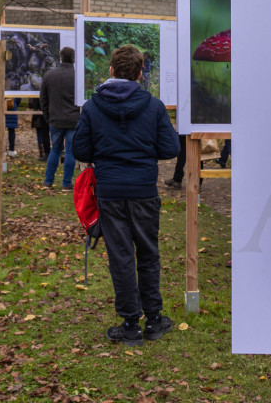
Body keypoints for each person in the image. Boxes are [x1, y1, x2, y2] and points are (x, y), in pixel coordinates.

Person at [73, 44, 180, 346]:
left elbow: (80, 150)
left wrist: (105, 152)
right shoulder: (154, 106)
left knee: (120, 257)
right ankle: (155, 321)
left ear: (110, 71)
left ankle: (131, 324)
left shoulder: (93, 107)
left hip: (110, 191)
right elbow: (170, 148)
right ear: (140, 73)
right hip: (144, 190)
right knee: (148, 253)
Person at [40, 46, 80, 189]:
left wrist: (48, 117)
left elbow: (43, 99)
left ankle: (48, 181)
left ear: (60, 58)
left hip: (55, 119)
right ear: (74, 59)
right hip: (73, 120)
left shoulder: (50, 75)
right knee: (70, 152)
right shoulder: (77, 76)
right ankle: (66, 183)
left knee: (55, 149)